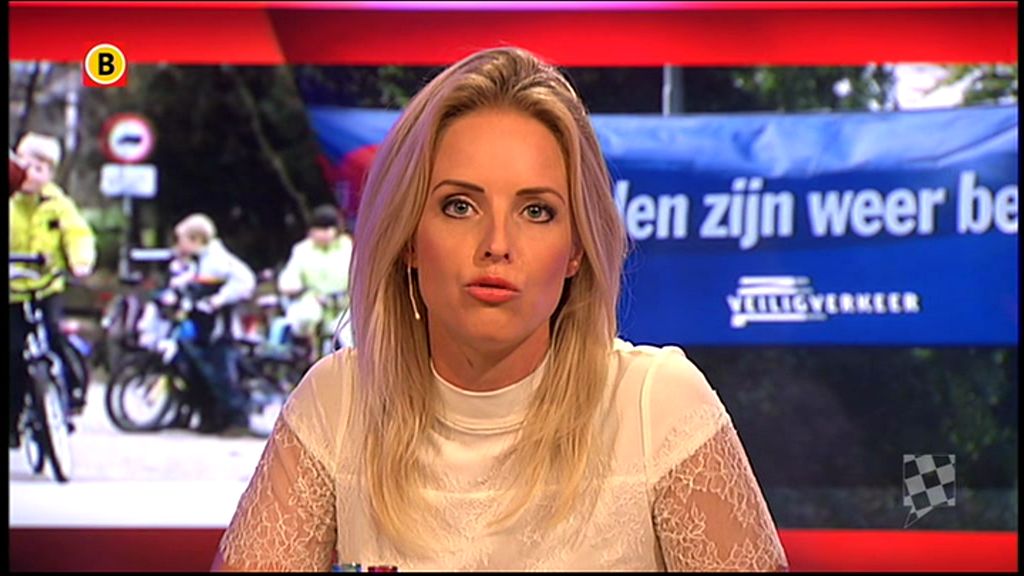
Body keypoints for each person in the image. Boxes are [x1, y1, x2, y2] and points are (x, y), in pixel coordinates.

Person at [214, 47, 789, 571]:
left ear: (576, 249)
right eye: (459, 206)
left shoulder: (658, 406)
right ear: (408, 237)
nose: (496, 244)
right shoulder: (338, 403)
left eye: (536, 211)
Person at [9, 132, 96, 447]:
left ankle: (69, 394)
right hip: (12, 290)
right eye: (27, 167)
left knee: (54, 336)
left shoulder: (57, 204)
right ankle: (13, 419)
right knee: (13, 352)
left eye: (41, 168)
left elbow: (77, 233)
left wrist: (80, 261)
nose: (33, 174)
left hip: (45, 286)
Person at [170, 213, 256, 435]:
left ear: (196, 239)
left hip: (219, 327)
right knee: (200, 370)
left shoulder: (218, 261)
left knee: (221, 373)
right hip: (202, 324)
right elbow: (192, 279)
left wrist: (220, 299)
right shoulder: (199, 260)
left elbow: (245, 280)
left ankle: (237, 420)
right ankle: (210, 417)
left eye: (182, 239)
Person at [275, 204, 354, 355]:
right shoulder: (302, 250)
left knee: (349, 333)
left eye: (328, 229)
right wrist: (292, 286)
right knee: (307, 316)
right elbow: (288, 278)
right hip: (313, 301)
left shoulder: (348, 247)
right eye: (319, 229)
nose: (323, 234)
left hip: (345, 305)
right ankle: (309, 352)